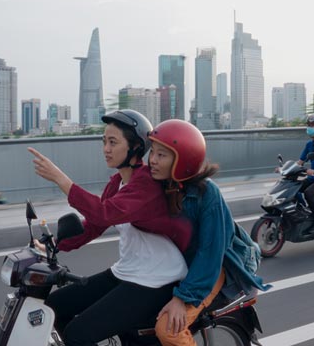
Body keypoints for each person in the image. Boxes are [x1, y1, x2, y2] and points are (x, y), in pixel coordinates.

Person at [28, 109, 191, 346]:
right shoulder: (117, 183)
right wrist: (52, 245)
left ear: (135, 147)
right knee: (52, 308)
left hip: (155, 279)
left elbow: (105, 213)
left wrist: (61, 179)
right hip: (128, 271)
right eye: (104, 141)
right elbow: (94, 225)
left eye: (113, 142)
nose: (106, 148)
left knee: (78, 334)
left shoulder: (146, 184)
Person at [148, 119, 270, 346]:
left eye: (161, 155)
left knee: (169, 330)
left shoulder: (207, 194)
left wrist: (182, 298)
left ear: (182, 160)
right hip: (177, 266)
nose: (152, 160)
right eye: (152, 152)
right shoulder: (159, 185)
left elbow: (210, 253)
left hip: (211, 269)